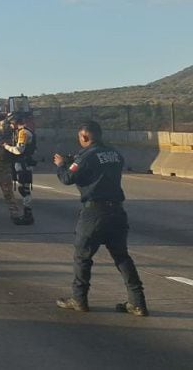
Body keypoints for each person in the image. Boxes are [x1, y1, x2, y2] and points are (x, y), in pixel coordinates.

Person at [54, 121, 147, 316]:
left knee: (82, 257)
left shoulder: (85, 156)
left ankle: (79, 299)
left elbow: (67, 178)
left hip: (94, 213)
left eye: (80, 137)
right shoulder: (115, 154)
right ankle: (137, 302)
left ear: (85, 137)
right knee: (122, 256)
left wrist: (62, 165)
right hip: (117, 212)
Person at [6, 114, 37, 226]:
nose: (10, 125)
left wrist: (7, 147)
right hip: (23, 163)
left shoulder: (23, 133)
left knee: (25, 190)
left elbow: (19, 150)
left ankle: (28, 215)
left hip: (24, 164)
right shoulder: (22, 131)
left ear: (14, 122)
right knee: (23, 189)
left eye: (10, 123)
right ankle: (27, 214)